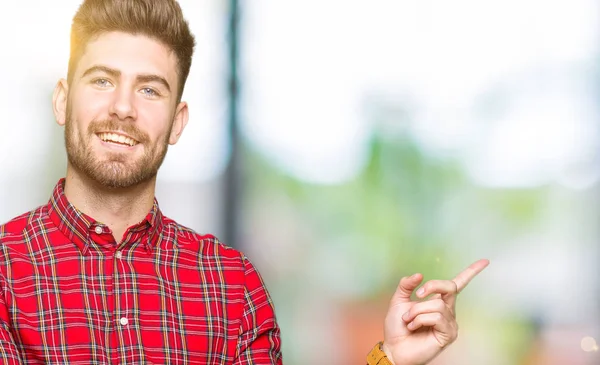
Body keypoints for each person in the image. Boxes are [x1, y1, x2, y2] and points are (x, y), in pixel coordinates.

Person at [0, 0, 489, 364]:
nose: (123, 107)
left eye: (149, 89)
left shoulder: (232, 286)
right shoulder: (5, 272)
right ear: (63, 100)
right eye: (102, 80)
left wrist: (390, 359)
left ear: (177, 122)